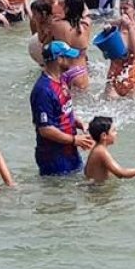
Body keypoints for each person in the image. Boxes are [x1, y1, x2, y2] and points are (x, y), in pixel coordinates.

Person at [32, 41, 94, 176]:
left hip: (69, 151)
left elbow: (64, 110)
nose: (72, 60)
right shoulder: (43, 90)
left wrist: (78, 122)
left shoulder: (61, 80)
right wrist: (74, 140)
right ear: (59, 59)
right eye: (68, 56)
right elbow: (45, 129)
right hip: (54, 157)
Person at [83, 116, 135, 184]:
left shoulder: (96, 148)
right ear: (104, 136)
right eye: (113, 130)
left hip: (94, 188)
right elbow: (121, 174)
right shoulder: (101, 152)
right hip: (98, 192)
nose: (116, 133)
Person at [104, 0, 135, 99]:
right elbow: (105, 52)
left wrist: (131, 29)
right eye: (120, 8)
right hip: (114, 76)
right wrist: (106, 30)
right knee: (109, 106)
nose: (122, 12)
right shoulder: (116, 25)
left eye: (126, 8)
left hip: (133, 76)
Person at [49, 0, 92, 91]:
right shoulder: (87, 25)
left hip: (63, 71)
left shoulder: (56, 24)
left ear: (67, 8)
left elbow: (53, 5)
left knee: (64, 105)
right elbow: (86, 11)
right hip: (80, 72)